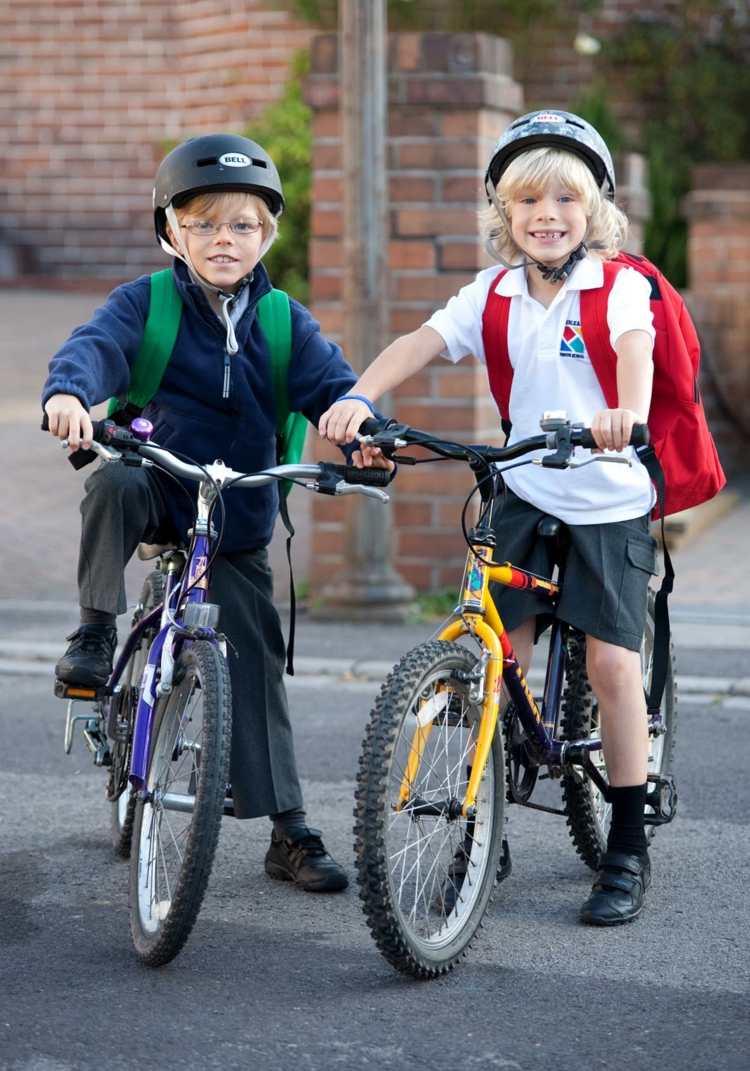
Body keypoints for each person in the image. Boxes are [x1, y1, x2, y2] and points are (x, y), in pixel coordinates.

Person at [319, 110, 661, 925]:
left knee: (614, 668)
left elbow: (637, 348)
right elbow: (423, 340)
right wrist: (361, 395)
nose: (546, 215)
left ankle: (625, 844)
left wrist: (627, 412)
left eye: (565, 200)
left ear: (596, 209)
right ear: (504, 214)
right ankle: (481, 829)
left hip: (609, 498)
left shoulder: (617, 286)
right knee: (492, 658)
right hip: (525, 490)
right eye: (527, 201)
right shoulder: (496, 292)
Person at [43, 133, 383, 894]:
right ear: (171, 230)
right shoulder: (149, 303)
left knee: (256, 658)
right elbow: (94, 346)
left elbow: (336, 388)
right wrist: (69, 392)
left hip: (237, 512)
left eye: (241, 226)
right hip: (163, 482)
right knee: (111, 482)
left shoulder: (284, 321)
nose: (223, 239)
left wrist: (362, 431)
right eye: (203, 224)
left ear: (267, 235)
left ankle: (288, 828)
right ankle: (97, 631)